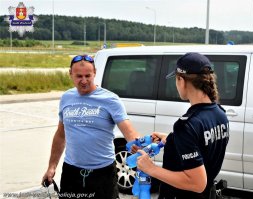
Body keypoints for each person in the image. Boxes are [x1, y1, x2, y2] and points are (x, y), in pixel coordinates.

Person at [41, 55, 140, 199]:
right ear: (70, 74)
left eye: (88, 75)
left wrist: (137, 143)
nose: (84, 80)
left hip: (103, 173)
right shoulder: (66, 98)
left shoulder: (110, 99)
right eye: (78, 76)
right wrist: (52, 167)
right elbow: (61, 134)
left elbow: (128, 130)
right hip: (71, 172)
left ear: (95, 73)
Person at [137, 52, 229, 199]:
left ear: (181, 80)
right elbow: (203, 146)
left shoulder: (186, 125)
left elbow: (197, 183)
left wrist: (151, 169)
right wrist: (173, 140)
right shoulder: (220, 114)